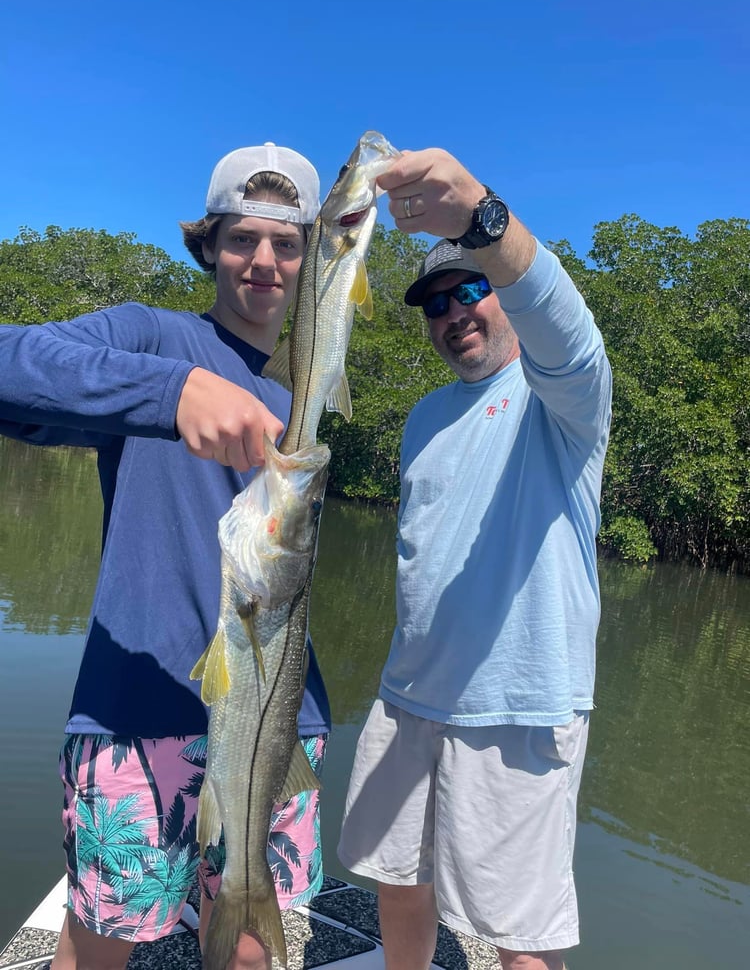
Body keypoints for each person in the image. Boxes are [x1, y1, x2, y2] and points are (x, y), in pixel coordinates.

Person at [0, 142, 331, 970]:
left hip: (281, 719)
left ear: (310, 259)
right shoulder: (151, 339)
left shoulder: (303, 401)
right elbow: (9, 368)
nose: (264, 261)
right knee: (101, 946)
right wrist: (169, 391)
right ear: (208, 246)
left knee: (254, 951)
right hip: (134, 714)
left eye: (286, 243)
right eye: (241, 239)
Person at [337, 148, 612, 970]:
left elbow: (567, 327)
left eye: (470, 290)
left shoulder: (561, 397)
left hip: (518, 708)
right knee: (395, 877)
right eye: (435, 302)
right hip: (409, 697)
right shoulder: (422, 417)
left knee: (520, 939)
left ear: (500, 294)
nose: (454, 312)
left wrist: (481, 219)